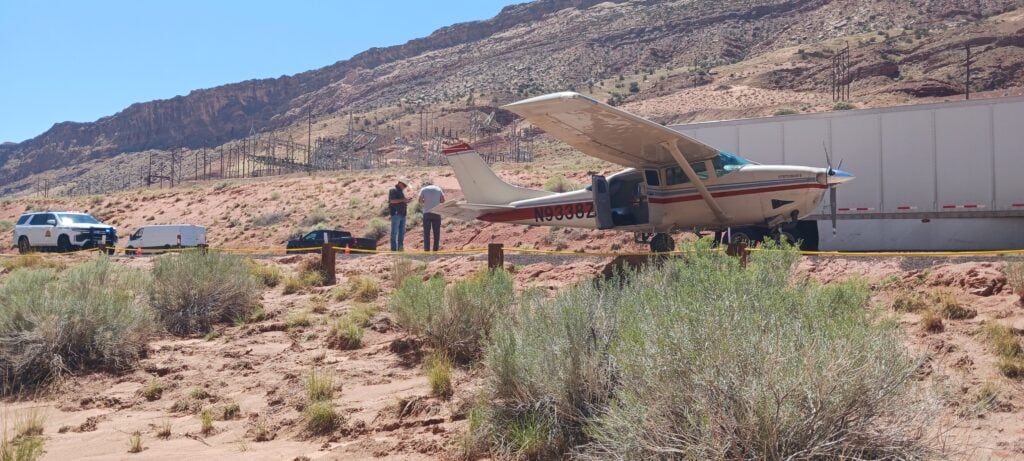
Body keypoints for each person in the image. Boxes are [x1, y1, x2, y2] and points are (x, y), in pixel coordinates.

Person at [418, 181, 446, 251]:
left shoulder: (423, 189)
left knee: (426, 233)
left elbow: (420, 201)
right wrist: (436, 201)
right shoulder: (438, 189)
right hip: (437, 213)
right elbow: (443, 200)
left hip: (427, 213)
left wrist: (426, 201)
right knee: (436, 233)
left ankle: (426, 250)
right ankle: (435, 250)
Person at [388, 178, 412, 251]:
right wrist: (403, 200)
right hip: (396, 214)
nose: (405, 187)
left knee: (401, 233)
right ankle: (393, 249)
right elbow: (392, 201)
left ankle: (400, 248)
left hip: (402, 214)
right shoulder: (393, 190)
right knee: (394, 233)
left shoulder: (400, 191)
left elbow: (399, 201)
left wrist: (406, 200)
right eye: (404, 185)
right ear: (400, 183)